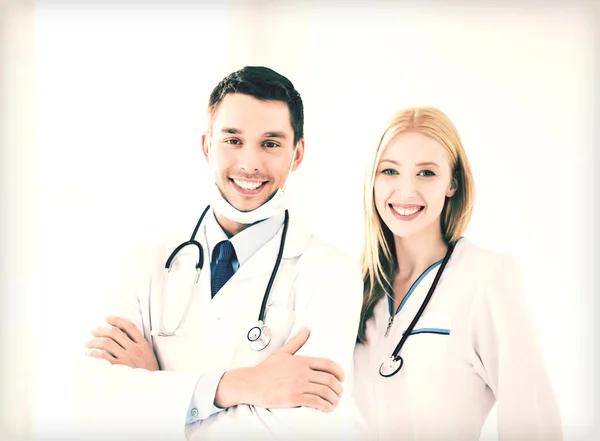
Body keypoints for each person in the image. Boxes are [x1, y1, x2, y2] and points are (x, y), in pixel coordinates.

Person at [74, 66, 365, 441]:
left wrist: (158, 388)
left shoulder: (330, 273)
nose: (250, 164)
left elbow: (306, 427)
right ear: (207, 145)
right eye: (233, 140)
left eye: (271, 143)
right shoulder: (143, 263)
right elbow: (96, 407)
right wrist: (236, 386)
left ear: (297, 154)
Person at [352, 107, 563, 441]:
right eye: (390, 171)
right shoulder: (354, 287)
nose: (406, 191)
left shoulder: (489, 279)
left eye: (426, 173)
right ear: (372, 181)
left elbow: (533, 422)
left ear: (453, 183)